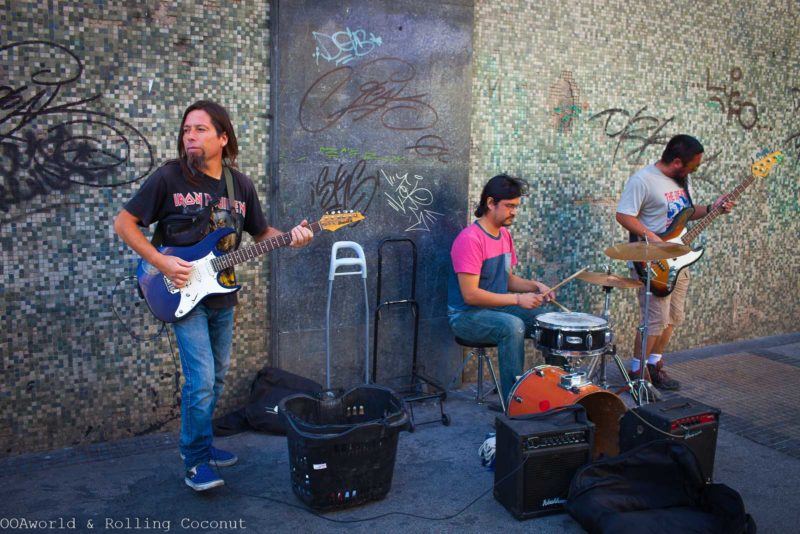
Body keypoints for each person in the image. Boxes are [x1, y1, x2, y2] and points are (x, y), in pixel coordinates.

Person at [114, 100, 313, 491]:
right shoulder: (169, 177)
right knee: (201, 380)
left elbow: (261, 233)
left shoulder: (240, 186)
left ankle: (201, 443)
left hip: (221, 293)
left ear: (223, 138)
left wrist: (291, 238)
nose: (190, 136)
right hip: (179, 292)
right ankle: (195, 460)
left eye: (200, 129)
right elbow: (124, 223)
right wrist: (161, 261)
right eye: (186, 129)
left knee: (216, 377)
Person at [615, 134, 734, 390]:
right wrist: (655, 240)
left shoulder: (682, 181)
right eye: (694, 166)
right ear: (678, 162)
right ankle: (637, 372)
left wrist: (712, 208)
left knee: (672, 318)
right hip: (651, 262)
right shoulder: (643, 180)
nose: (695, 170)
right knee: (655, 320)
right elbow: (624, 215)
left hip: (678, 261)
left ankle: (654, 365)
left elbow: (685, 215)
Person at [447, 174, 554, 405]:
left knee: (548, 321)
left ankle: (560, 391)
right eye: (509, 206)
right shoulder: (470, 239)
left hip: (496, 309)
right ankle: (514, 404)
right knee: (512, 326)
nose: (514, 212)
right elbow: (470, 295)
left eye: (516, 206)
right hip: (465, 316)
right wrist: (517, 299)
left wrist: (536, 286)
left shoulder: (504, 235)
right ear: (490, 203)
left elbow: (507, 280)